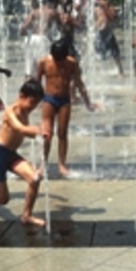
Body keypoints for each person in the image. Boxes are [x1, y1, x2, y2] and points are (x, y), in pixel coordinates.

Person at [0, 78, 46, 226]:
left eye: (37, 104)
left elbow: (25, 132)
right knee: (3, 199)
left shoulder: (25, 111)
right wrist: (38, 131)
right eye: (32, 102)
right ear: (21, 96)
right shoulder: (10, 112)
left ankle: (27, 215)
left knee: (34, 179)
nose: (33, 107)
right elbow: (20, 129)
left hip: (10, 155)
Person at [37, 39, 97, 176]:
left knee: (63, 133)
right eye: (56, 59)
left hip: (64, 100)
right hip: (49, 99)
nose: (59, 63)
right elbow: (37, 82)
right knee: (47, 134)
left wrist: (88, 102)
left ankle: (62, 164)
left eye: (61, 60)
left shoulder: (71, 63)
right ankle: (43, 164)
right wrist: (34, 102)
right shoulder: (44, 62)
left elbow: (79, 83)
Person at [20, 0, 60, 79]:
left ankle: (26, 90)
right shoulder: (53, 12)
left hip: (32, 39)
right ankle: (45, 90)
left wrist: (24, 33)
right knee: (46, 68)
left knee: (29, 70)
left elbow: (23, 28)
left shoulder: (34, 12)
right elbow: (61, 27)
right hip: (43, 39)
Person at [94, 0, 124, 76]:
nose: (102, 1)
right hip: (100, 33)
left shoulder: (110, 8)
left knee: (115, 52)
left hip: (109, 33)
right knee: (97, 52)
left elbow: (111, 17)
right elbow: (92, 20)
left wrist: (106, 8)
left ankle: (120, 71)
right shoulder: (96, 9)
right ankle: (97, 72)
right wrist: (95, 26)